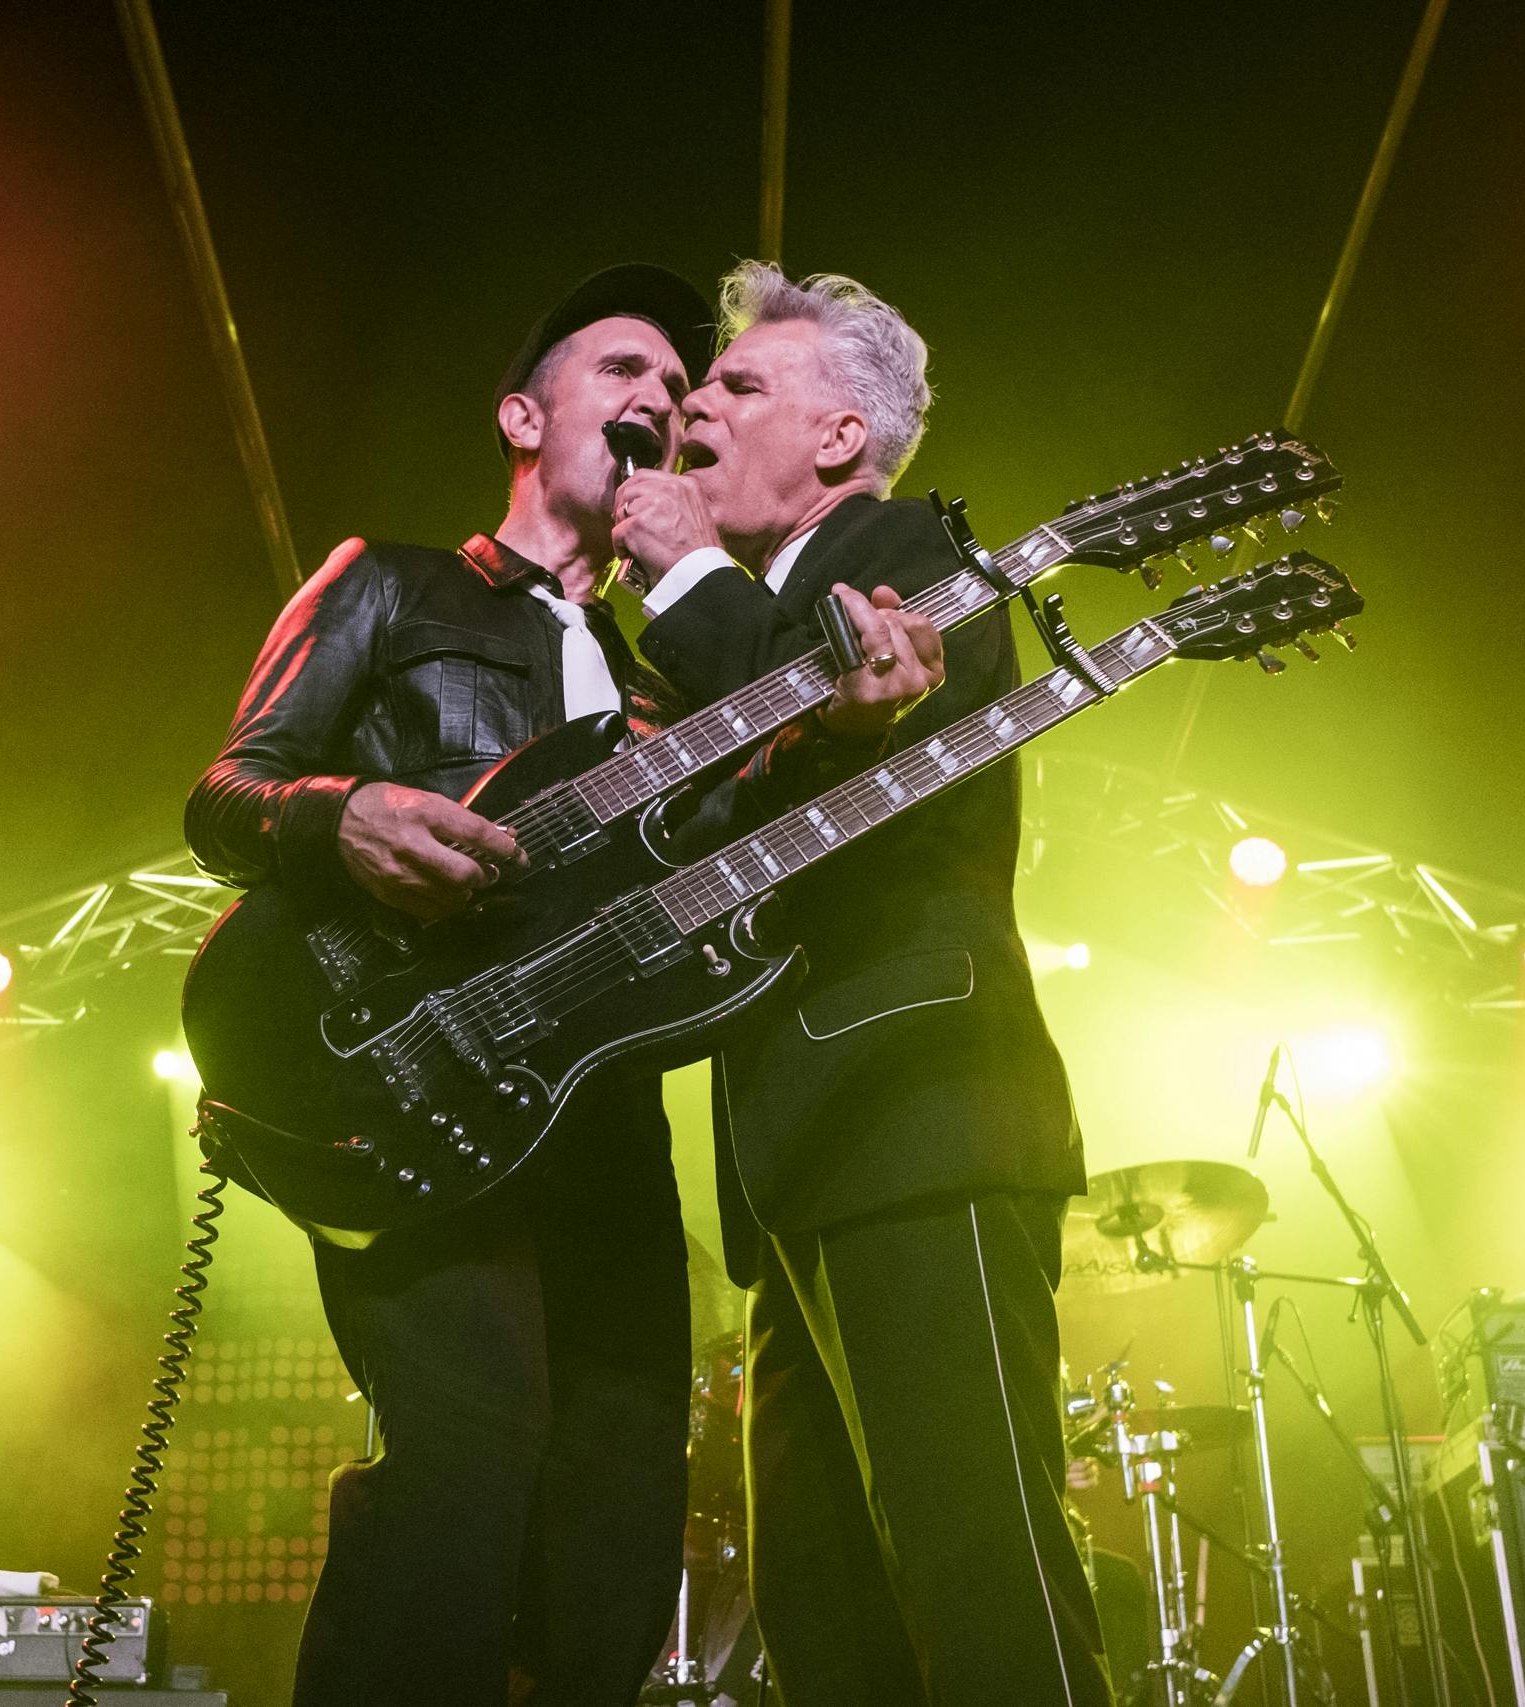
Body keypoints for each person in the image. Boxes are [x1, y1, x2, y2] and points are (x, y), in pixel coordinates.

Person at [185, 265, 710, 1707]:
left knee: (620, 1491)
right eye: (623, 369)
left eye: (680, 387)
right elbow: (225, 790)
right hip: (416, 1077)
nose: (662, 399)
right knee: (471, 1454)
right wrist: (339, 813)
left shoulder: (668, 678)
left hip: (601, 1111)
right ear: (523, 417)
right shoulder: (391, 582)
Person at [610, 262, 1110, 1705]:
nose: (693, 406)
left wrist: (688, 576)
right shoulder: (727, 613)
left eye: (739, 385)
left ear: (841, 435)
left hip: (919, 1125)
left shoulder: (908, 551)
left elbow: (823, 719)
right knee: (829, 1618)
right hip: (796, 1164)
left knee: (982, 1577)